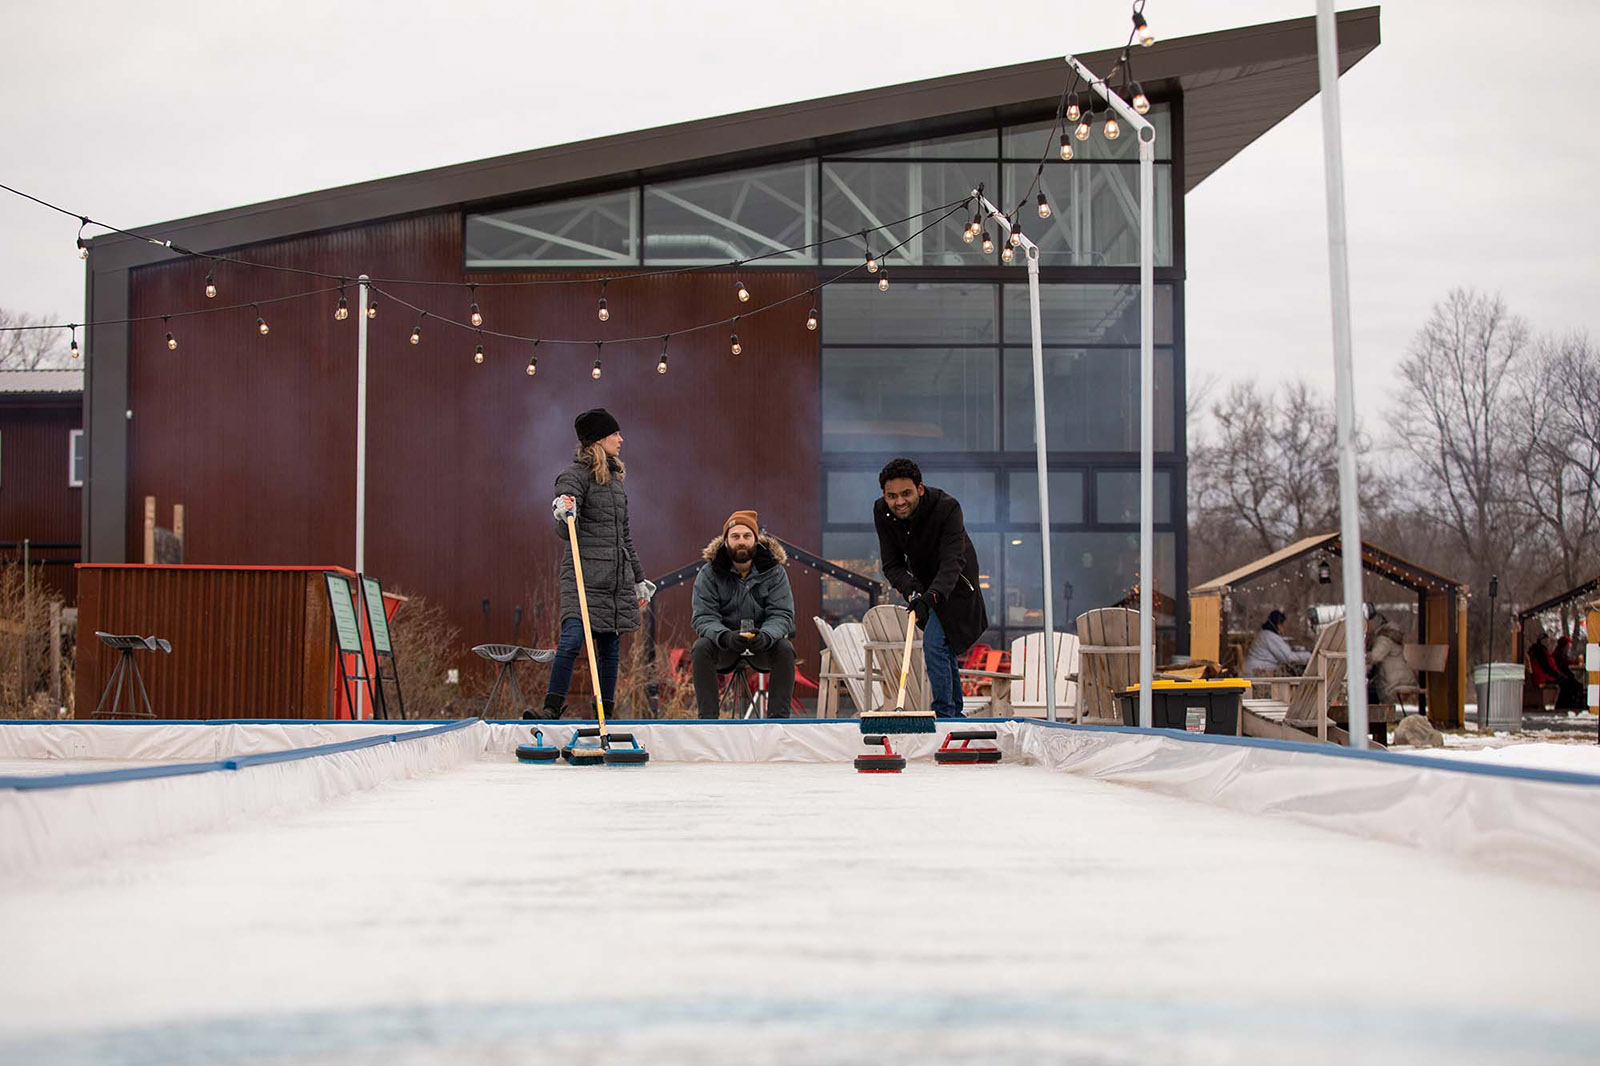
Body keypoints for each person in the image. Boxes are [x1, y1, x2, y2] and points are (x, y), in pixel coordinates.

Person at [530, 408, 654, 720]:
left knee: (610, 650)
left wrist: (638, 579)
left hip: (614, 580)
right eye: (615, 434)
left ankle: (606, 713)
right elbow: (565, 529)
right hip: (583, 576)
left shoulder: (615, 482)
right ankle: (551, 707)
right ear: (599, 440)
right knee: (572, 640)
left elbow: (625, 537)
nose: (621, 440)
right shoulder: (574, 476)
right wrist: (563, 511)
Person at [873, 457, 989, 719]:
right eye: (892, 496)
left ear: (920, 489)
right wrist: (912, 590)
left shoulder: (946, 508)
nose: (899, 502)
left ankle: (946, 715)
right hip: (924, 585)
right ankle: (954, 716)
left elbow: (952, 562)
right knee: (941, 645)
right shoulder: (882, 512)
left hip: (957, 583)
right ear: (884, 495)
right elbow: (892, 564)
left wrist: (931, 597)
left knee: (935, 644)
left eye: (906, 493)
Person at [689, 510, 797, 719]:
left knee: (785, 649)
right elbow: (703, 617)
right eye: (735, 536)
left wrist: (766, 636)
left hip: (762, 646)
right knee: (700, 648)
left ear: (756, 540)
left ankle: (779, 721)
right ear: (725, 541)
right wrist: (725, 636)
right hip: (725, 645)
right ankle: (708, 722)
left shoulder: (775, 572)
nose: (741, 542)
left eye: (747, 536)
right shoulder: (708, 573)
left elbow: (782, 614)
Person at [1365, 613, 1417, 705]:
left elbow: (1375, 657)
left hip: (1396, 683)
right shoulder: (1388, 636)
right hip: (1400, 680)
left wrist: (1358, 656)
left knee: (1369, 692)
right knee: (1370, 689)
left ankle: (1371, 717)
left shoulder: (1384, 639)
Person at [1242, 609, 1311, 676]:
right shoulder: (1270, 637)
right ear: (1278, 625)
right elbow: (1288, 657)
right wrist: (1309, 655)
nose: (1285, 628)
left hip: (1255, 670)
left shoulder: (1264, 634)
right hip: (1258, 673)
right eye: (1284, 625)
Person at [1551, 634, 1587, 710]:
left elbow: (1566, 662)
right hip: (1560, 677)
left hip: (1562, 675)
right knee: (1575, 686)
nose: (1569, 646)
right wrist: (1575, 662)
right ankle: (1573, 705)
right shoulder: (1559, 654)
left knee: (1576, 685)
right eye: (1568, 644)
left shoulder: (1560, 653)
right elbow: (1565, 663)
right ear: (1564, 645)